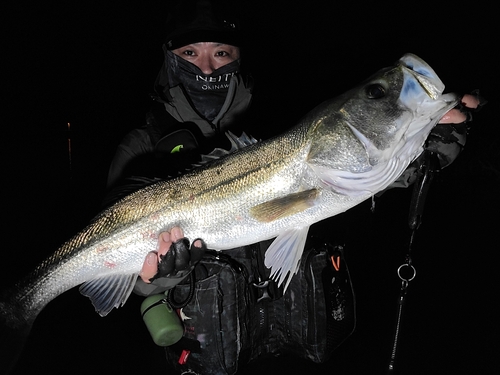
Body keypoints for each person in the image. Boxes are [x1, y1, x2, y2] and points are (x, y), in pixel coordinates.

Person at [104, 0, 484, 373]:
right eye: (190, 51)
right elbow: (134, 279)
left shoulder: (280, 113)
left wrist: (429, 148)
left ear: (238, 56)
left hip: (298, 347)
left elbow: (358, 173)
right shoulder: (142, 145)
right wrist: (163, 274)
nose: (206, 66)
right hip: (210, 356)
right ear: (170, 57)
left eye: (221, 52)